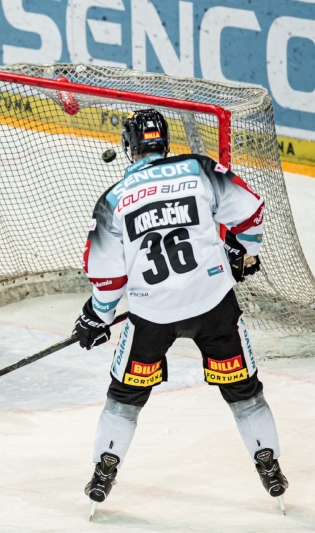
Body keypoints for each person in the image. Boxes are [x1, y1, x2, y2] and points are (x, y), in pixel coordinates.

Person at [74, 109, 287, 516]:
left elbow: (108, 279)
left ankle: (105, 469)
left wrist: (96, 318)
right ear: (165, 142)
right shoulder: (200, 169)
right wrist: (245, 252)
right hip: (214, 304)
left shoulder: (113, 199)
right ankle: (268, 462)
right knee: (244, 393)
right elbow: (252, 212)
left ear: (128, 146)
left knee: (125, 399)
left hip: (153, 315)